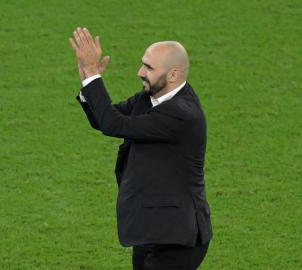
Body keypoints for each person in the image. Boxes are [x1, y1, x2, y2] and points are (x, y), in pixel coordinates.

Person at [69, 27, 213, 270]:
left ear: (173, 74)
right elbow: (104, 118)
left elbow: (113, 124)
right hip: (152, 226)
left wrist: (94, 75)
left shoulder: (181, 114)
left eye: (149, 67)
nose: (140, 72)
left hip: (177, 236)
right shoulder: (151, 97)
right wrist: (87, 79)